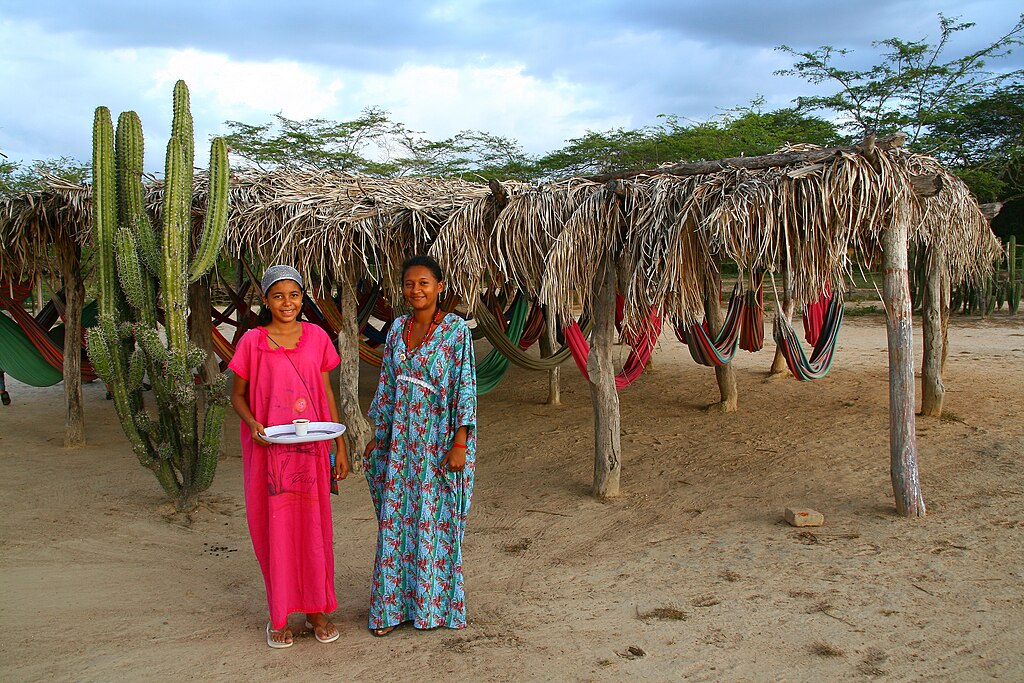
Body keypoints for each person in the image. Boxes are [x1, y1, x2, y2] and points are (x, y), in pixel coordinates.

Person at [229, 265, 349, 649]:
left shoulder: (316, 337)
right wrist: (253, 425)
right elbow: (238, 396)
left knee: (314, 530)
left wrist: (339, 444)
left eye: (294, 295)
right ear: (265, 300)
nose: (287, 303)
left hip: (311, 452)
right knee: (275, 529)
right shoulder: (252, 341)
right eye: (278, 296)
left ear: (302, 298)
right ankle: (279, 614)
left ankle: (317, 609)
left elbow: (327, 394)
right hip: (269, 454)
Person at [363, 254, 477, 636]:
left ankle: (434, 609)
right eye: (410, 284)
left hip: (438, 441)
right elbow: (388, 385)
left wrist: (460, 442)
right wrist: (379, 434)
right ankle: (391, 610)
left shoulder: (457, 331)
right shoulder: (396, 329)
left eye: (425, 283)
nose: (417, 290)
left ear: (440, 287)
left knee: (434, 521)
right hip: (401, 445)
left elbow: (465, 387)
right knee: (398, 523)